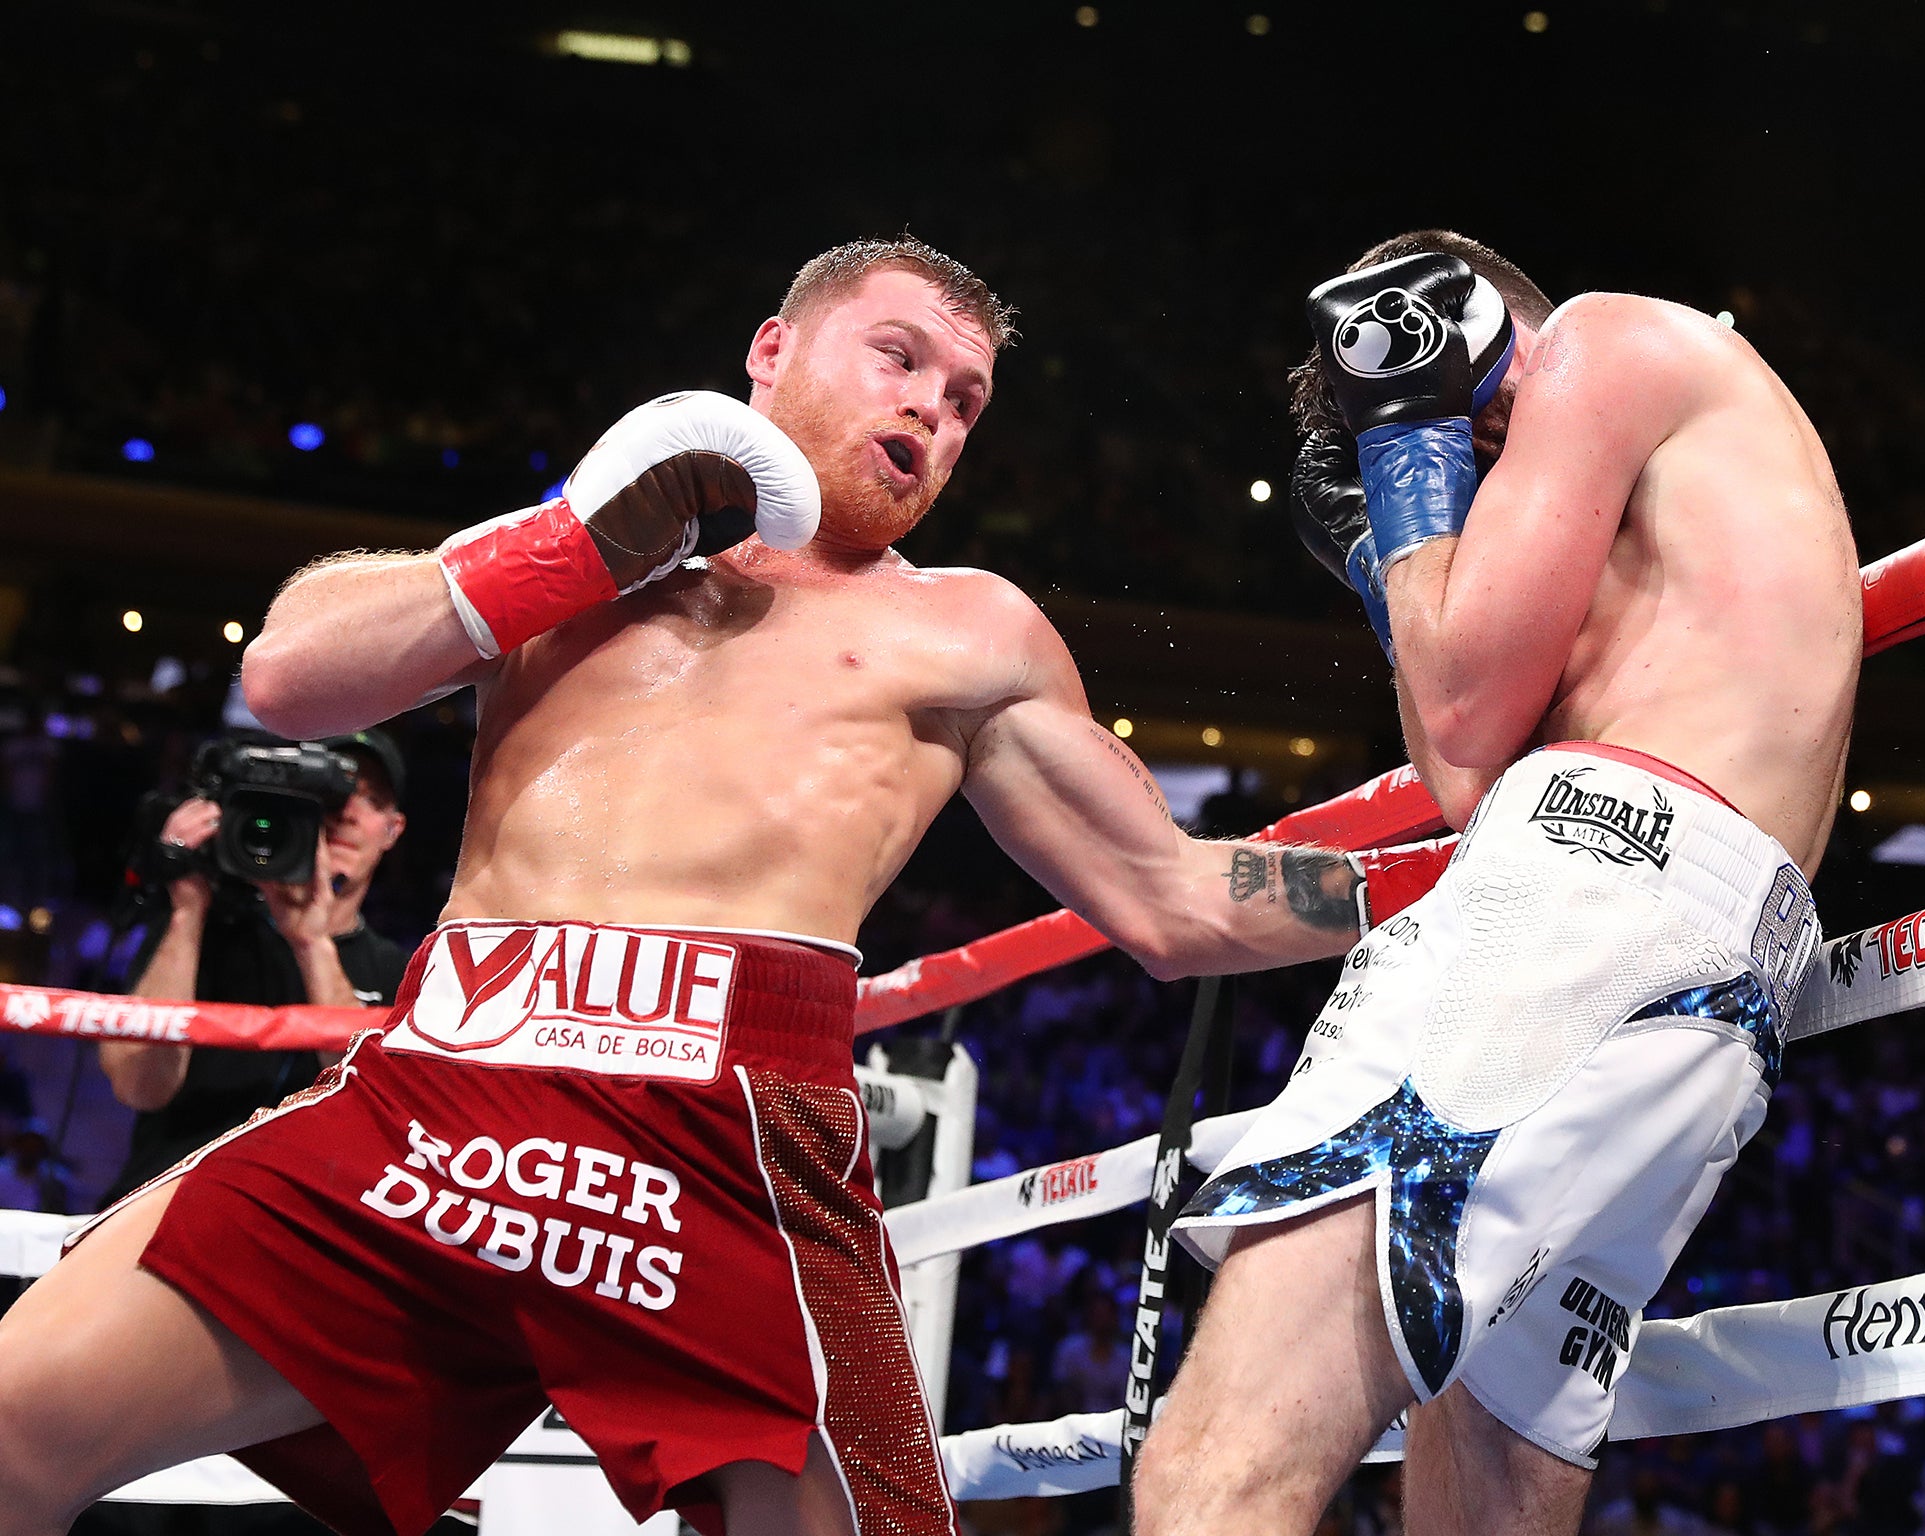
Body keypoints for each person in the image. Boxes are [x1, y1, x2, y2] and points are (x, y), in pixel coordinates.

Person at [0, 237, 1449, 1536]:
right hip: (444, 1092)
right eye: (901, 360)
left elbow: (1179, 902)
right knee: (14, 1427)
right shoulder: (571, 553)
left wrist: (1478, 858)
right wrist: (564, 546)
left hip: (731, 1133)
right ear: (771, 351)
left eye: (964, 403)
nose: (930, 413)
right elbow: (287, 673)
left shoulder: (965, 632)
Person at [1136, 230, 1860, 1535]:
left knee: (1215, 1464)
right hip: (1699, 965)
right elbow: (1485, 747)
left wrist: (1406, 462)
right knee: (1476, 1491)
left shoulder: (1603, 339)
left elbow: (1463, 735)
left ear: (1462, 329)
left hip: (1586, 890)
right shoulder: (1674, 500)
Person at [99, 730, 411, 1205]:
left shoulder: (400, 968)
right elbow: (139, 1086)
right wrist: (185, 909)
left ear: (393, 829)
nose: (346, 810)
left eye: (370, 799)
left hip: (299, 1221)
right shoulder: (200, 930)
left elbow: (371, 1113)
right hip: (165, 1201)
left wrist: (311, 940)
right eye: (331, 793)